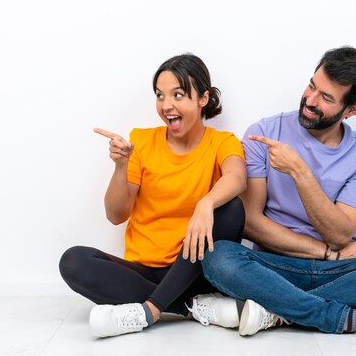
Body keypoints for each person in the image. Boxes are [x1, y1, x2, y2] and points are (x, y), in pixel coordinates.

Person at [199, 46, 356, 337]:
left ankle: (276, 311)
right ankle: (341, 318)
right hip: (278, 265)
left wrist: (300, 172)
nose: (310, 100)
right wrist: (328, 255)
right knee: (218, 257)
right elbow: (250, 222)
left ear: (352, 109)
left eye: (326, 98)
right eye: (312, 86)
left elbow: (339, 234)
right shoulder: (264, 133)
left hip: (344, 270)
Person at [59, 53, 247, 338]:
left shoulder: (223, 142)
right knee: (73, 261)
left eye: (178, 95)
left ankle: (150, 309)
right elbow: (115, 215)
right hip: (142, 271)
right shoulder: (143, 141)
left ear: (203, 99)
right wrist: (121, 165)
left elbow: (237, 177)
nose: (166, 105)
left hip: (194, 268)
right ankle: (190, 307)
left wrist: (206, 203)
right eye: (160, 95)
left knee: (231, 209)